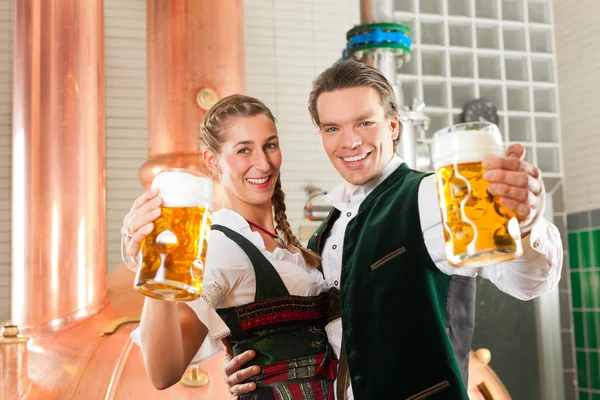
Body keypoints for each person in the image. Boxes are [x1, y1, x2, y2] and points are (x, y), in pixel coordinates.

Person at [224, 61, 563, 399]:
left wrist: (526, 226)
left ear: (393, 125)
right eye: (332, 129)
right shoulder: (325, 234)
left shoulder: (433, 196)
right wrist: (261, 369)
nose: (350, 141)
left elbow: (528, 283)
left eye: (365, 123)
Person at [123, 95, 337, 399]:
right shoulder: (218, 246)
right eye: (244, 150)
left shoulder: (291, 245)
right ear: (212, 160)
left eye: (270, 145)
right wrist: (156, 264)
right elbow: (164, 371)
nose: (263, 163)